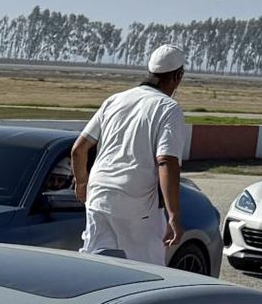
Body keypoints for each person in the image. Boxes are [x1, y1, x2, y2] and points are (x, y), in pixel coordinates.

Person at [68, 44, 192, 262]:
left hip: (98, 196)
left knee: (96, 265)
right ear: (178, 76)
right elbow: (166, 162)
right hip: (136, 203)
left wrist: (81, 184)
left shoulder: (115, 100)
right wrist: (174, 215)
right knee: (146, 272)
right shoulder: (168, 108)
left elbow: (79, 150)